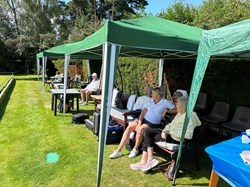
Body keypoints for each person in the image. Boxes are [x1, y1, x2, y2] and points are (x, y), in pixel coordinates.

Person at [129, 96, 201, 175]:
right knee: (146, 131)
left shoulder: (190, 117)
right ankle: (148, 160)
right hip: (168, 136)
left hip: (176, 140)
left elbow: (188, 135)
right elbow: (170, 125)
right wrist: (165, 131)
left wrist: (170, 132)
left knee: (147, 133)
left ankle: (147, 161)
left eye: (177, 104)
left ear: (183, 106)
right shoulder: (180, 113)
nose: (176, 105)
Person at [109, 87, 175, 159]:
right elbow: (142, 113)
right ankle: (118, 150)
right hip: (144, 119)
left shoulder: (165, 102)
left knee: (140, 129)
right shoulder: (150, 101)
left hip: (152, 123)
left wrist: (167, 110)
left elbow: (176, 109)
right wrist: (139, 123)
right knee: (130, 127)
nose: (151, 95)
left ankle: (135, 149)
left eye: (153, 94)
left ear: (158, 95)